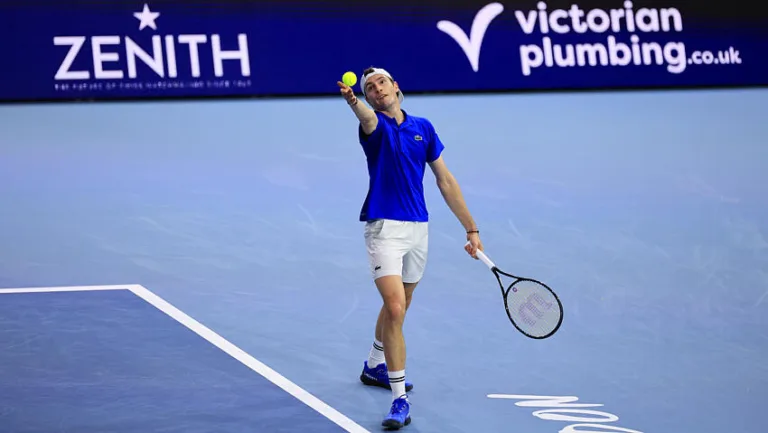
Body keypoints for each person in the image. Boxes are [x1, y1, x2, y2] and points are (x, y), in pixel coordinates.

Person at [337, 67, 483, 430]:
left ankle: (375, 364)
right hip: (383, 228)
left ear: (395, 86)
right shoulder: (374, 127)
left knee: (402, 303)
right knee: (395, 307)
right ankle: (399, 398)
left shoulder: (423, 128)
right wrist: (353, 103)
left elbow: (445, 180)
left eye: (381, 82)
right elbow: (366, 118)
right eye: (369, 88)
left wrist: (471, 228)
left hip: (419, 228)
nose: (376, 89)